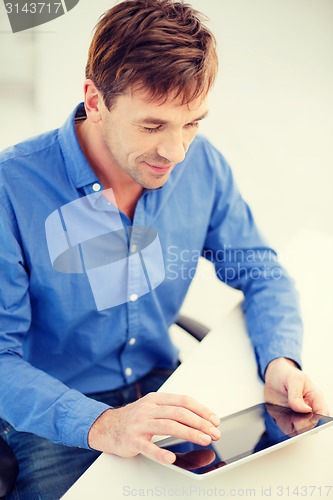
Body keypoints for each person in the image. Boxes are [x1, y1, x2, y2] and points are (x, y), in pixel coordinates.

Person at [0, 0, 328, 498]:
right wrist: (104, 423)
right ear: (94, 100)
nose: (175, 152)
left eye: (192, 122)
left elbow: (259, 270)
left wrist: (280, 360)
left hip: (159, 389)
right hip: (53, 414)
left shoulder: (202, 167)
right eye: (152, 126)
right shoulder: (11, 189)